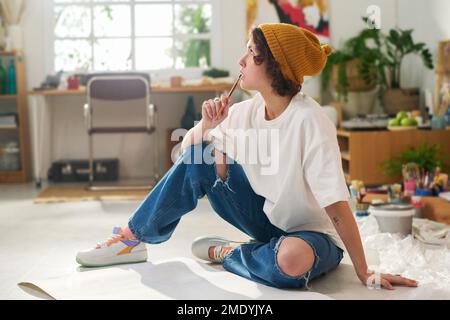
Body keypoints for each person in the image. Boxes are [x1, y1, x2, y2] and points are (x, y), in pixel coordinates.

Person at [76, 23, 418, 290]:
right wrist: (208, 126)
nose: (240, 61)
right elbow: (186, 155)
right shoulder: (247, 111)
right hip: (266, 221)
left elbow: (337, 206)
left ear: (275, 67)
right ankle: (132, 237)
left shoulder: (310, 121)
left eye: (251, 53)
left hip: (312, 236)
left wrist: (363, 271)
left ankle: (231, 253)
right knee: (202, 155)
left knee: (291, 261)